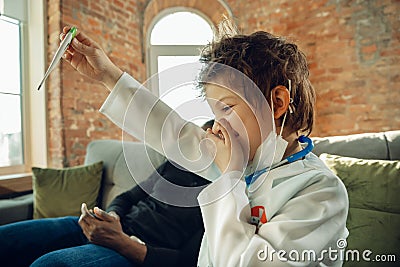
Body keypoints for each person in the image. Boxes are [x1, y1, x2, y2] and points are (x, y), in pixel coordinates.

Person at [59, 22, 349, 266]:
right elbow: (174, 132)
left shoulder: (320, 191)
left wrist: (229, 178)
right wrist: (107, 75)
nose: (217, 126)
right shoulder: (247, 159)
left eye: (227, 109)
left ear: (276, 103)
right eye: (214, 113)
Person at [0, 120, 213, 267]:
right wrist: (111, 217)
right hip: (105, 228)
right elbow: (126, 198)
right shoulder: (176, 165)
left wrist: (121, 241)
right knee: (6, 239)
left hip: (132, 249)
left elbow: (186, 261)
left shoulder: (223, 196)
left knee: (48, 264)